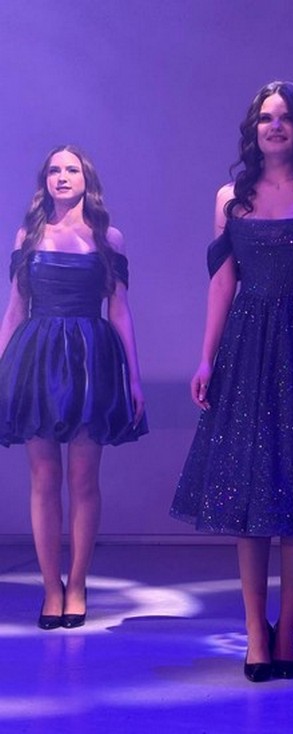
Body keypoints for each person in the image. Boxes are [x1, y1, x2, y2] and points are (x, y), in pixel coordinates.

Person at [170, 81, 293, 681]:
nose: (275, 126)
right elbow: (222, 283)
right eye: (266, 117)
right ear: (253, 129)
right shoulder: (230, 198)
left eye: (285, 117)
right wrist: (205, 358)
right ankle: (255, 634)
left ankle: (288, 632)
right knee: (246, 492)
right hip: (246, 348)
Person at [0, 145, 148, 629]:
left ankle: (78, 584)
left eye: (71, 169)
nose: (62, 177)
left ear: (88, 180)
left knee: (83, 480)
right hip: (37, 359)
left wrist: (133, 375)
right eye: (54, 170)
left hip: (88, 360)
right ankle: (50, 588)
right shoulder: (28, 235)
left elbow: (119, 310)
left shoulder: (108, 237)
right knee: (44, 478)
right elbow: (14, 310)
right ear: (44, 180)